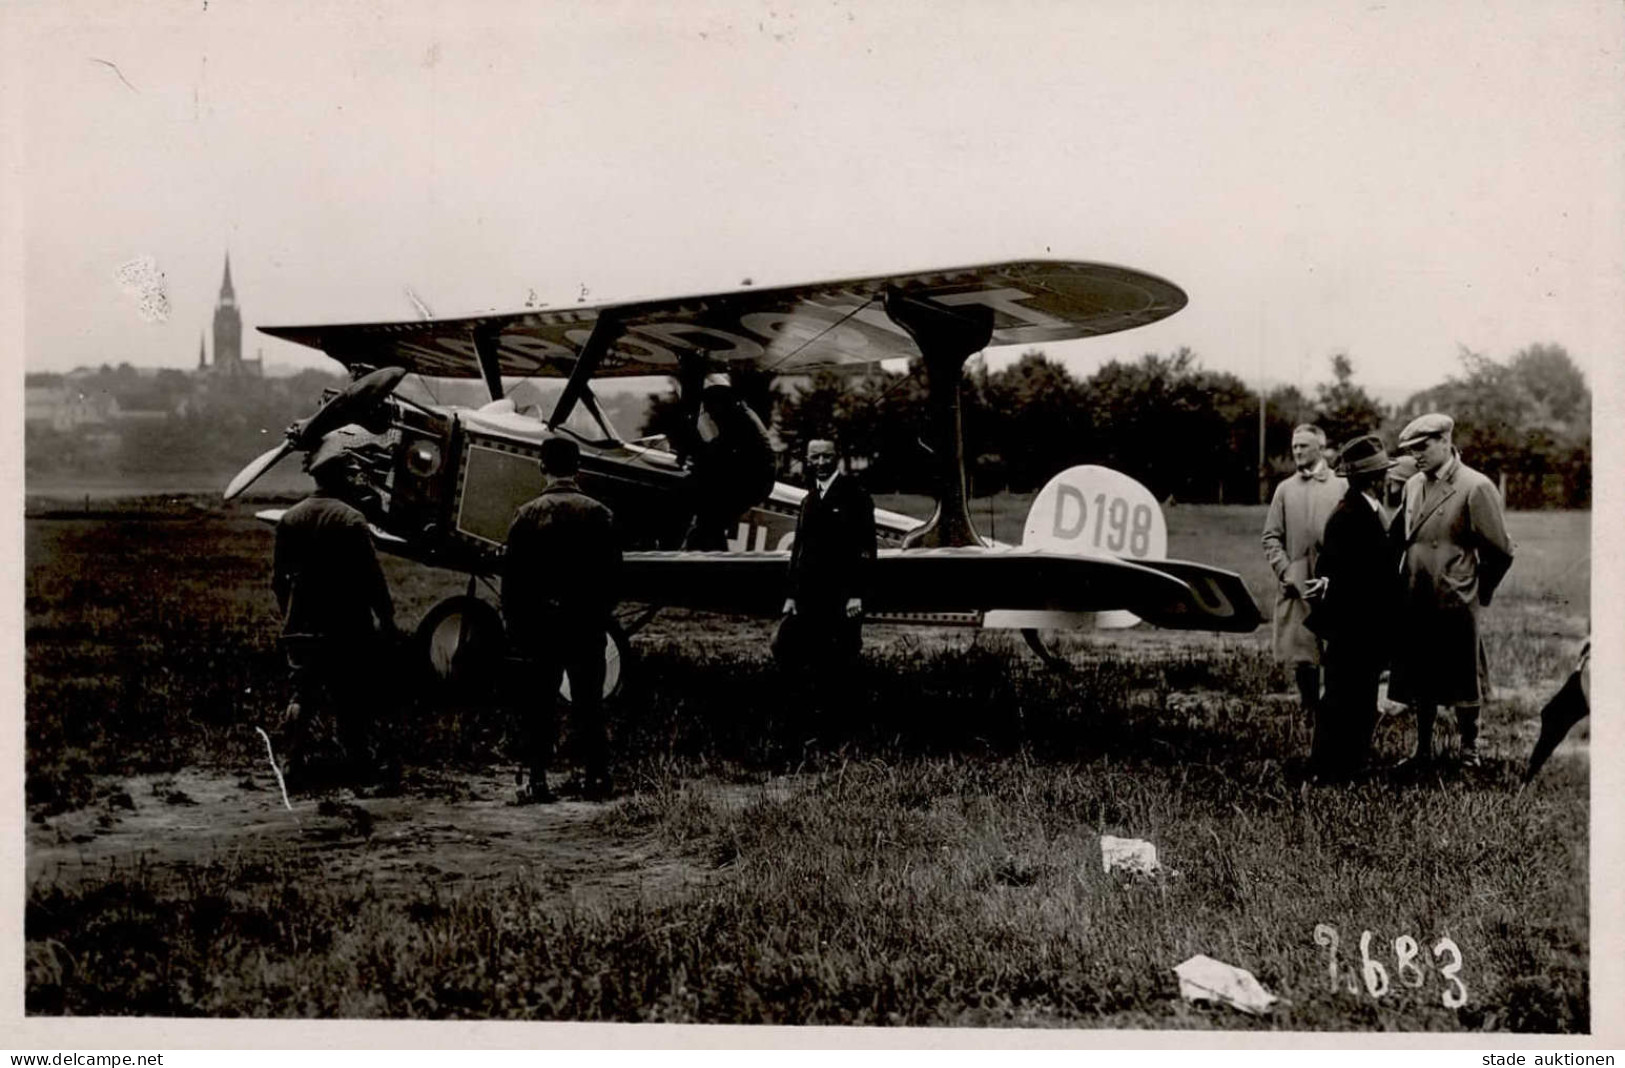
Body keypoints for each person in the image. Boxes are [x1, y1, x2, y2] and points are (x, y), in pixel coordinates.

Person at [271, 430, 397, 790]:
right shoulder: (351, 520)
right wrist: (385, 617)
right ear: (342, 478)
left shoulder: (290, 519)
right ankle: (358, 769)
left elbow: (279, 580)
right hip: (346, 627)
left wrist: (289, 616)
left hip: (301, 626)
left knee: (302, 696)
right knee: (351, 700)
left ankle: (292, 763)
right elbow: (372, 578)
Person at [1388, 412, 1514, 769]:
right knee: (1419, 673)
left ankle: (1469, 751)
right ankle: (1422, 749)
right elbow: (1400, 537)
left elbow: (1501, 550)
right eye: (1411, 450)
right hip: (1416, 594)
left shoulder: (1476, 486)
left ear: (1446, 441)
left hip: (1455, 598)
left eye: (1423, 447)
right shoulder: (1413, 485)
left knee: (1463, 674)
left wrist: (1476, 590)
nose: (1417, 456)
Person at [502, 436, 622, 802]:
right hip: (585, 625)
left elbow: (513, 582)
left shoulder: (527, 515)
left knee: (538, 706)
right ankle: (596, 779)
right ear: (579, 469)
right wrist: (598, 614)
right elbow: (614, 577)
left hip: (541, 627)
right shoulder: (600, 514)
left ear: (542, 467)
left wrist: (518, 626)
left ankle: (537, 780)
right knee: (589, 705)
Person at [1305, 434, 1401, 781]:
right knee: (1343, 699)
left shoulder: (1369, 510)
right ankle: (1331, 768)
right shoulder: (1349, 516)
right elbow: (1337, 571)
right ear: (1375, 479)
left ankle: (1350, 762)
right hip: (1354, 626)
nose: (1388, 478)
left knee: (1358, 699)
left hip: (1364, 626)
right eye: (1383, 473)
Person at [1261, 424, 1347, 729]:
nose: (1297, 452)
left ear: (1320, 449)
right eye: (1295, 446)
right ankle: (1310, 707)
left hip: (1334, 581)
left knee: (1336, 644)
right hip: (1298, 581)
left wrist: (1341, 573)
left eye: (1304, 446)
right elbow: (1271, 536)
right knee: (1301, 649)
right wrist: (1285, 570)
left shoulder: (1340, 486)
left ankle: (1336, 707)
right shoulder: (1285, 489)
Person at [774, 437, 876, 667]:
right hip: (810, 595)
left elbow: (866, 548)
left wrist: (857, 594)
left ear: (836, 457)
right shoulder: (809, 500)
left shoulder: (856, 496)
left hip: (842, 597)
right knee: (792, 648)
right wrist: (791, 595)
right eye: (815, 457)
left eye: (826, 456)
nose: (820, 462)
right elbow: (798, 552)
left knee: (840, 656)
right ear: (808, 460)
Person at [680, 380, 776, 550]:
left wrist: (697, 454)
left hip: (748, 482)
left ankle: (705, 557)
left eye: (710, 409)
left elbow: (722, 449)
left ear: (720, 405)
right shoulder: (742, 415)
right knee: (710, 524)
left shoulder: (738, 421)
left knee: (708, 522)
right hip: (750, 479)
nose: (709, 415)